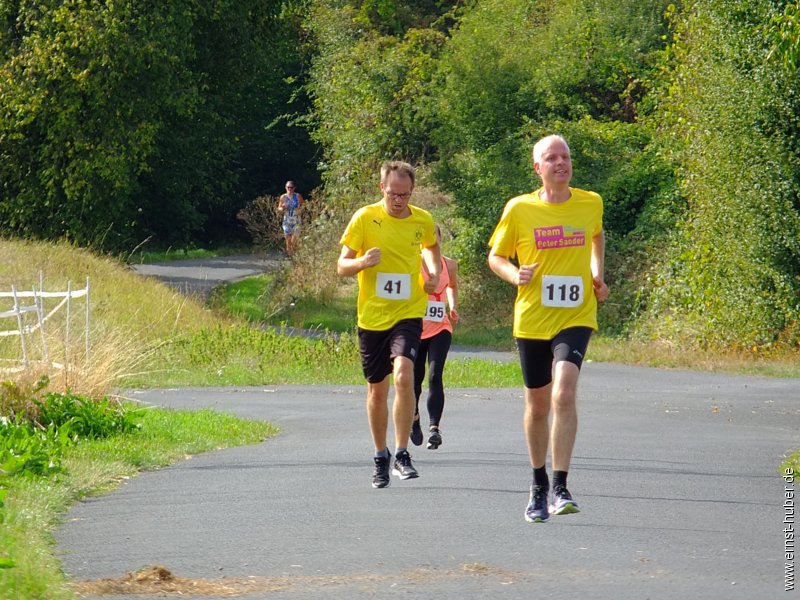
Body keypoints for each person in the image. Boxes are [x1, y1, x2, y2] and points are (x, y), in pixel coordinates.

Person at [487, 134, 609, 523]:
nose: (561, 163)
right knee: (537, 406)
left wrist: (596, 274)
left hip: (576, 315)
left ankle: (560, 485)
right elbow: (496, 256)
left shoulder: (590, 202)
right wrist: (513, 273)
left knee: (564, 392)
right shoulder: (519, 209)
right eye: (552, 158)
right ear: (538, 168)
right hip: (533, 318)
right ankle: (538, 483)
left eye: (566, 157)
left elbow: (597, 236)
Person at [337, 160, 441, 489]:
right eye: (393, 194)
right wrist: (363, 262)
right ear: (382, 188)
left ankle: (402, 454)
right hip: (372, 317)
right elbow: (341, 265)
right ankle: (380, 456)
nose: (399, 200)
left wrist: (434, 272)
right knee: (377, 390)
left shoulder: (422, 220)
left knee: (405, 373)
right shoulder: (365, 218)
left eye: (405, 195)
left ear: (412, 192)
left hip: (408, 313)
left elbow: (431, 248)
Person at [411, 224, 459, 450]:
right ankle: (414, 417)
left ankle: (434, 429)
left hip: (441, 328)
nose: (432, 243)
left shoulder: (449, 264)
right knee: (414, 380)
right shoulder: (412, 263)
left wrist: (453, 306)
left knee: (434, 375)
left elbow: (452, 286)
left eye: (435, 238)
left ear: (440, 240)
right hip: (416, 328)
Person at [277, 181, 304, 255]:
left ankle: (294, 253)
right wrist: (282, 208)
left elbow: (304, 205)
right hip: (287, 220)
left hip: (296, 220)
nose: (289, 189)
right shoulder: (283, 197)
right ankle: (290, 255)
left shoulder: (298, 196)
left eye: (291, 187)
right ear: (285, 188)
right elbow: (279, 208)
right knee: (288, 239)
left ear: (294, 188)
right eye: (288, 187)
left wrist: (300, 210)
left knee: (294, 240)